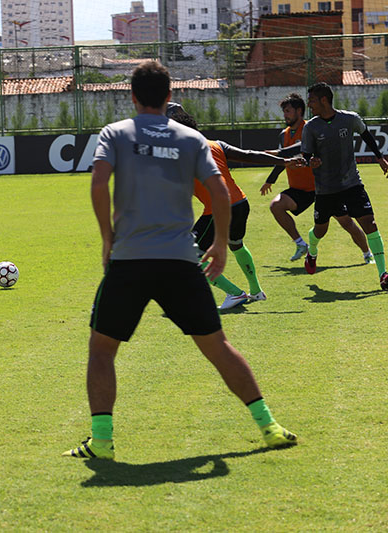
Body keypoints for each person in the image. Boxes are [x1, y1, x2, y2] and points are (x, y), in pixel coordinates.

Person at [62, 61, 297, 461]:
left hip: (130, 259)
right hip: (179, 261)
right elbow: (221, 193)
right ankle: (269, 426)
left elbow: (99, 184)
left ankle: (101, 442)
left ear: (132, 97)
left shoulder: (116, 134)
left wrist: (107, 239)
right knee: (218, 345)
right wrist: (220, 244)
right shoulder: (190, 139)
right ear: (169, 96)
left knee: (102, 351)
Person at [170, 108, 303, 309]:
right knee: (236, 244)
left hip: (219, 209)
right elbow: (250, 155)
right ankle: (256, 291)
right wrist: (284, 161)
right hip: (241, 203)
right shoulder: (215, 144)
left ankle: (235, 293)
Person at [260, 93, 372, 263]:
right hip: (299, 190)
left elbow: (297, 152)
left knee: (347, 223)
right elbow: (285, 161)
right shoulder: (284, 135)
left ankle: (367, 253)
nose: (285, 115)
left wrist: (280, 154)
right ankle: (300, 244)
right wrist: (270, 179)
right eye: (284, 112)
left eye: (288, 111)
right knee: (276, 205)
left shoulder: (313, 128)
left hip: (322, 188)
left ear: (299, 111)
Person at [301, 82, 388, 290]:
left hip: (352, 183)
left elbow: (366, 133)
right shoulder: (310, 127)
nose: (309, 104)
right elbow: (306, 154)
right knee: (320, 230)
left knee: (370, 223)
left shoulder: (349, 119)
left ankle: (383, 274)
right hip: (325, 189)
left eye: (311, 100)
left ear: (324, 100)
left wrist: (380, 158)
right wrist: (310, 160)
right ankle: (312, 251)